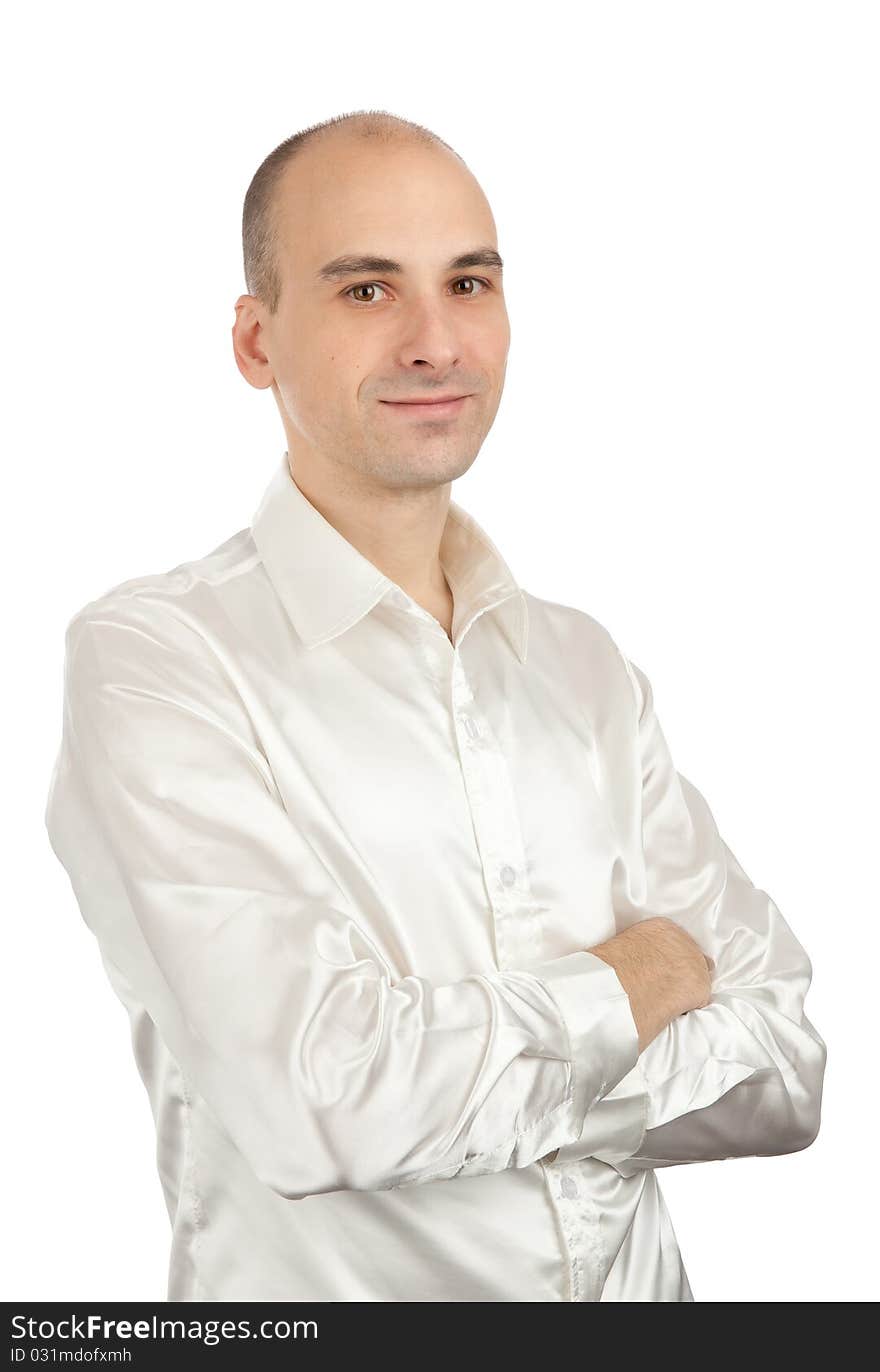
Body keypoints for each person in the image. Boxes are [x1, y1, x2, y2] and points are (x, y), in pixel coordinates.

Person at [44, 108, 826, 1303]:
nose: (433, 342)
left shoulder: (582, 667)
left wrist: (462, 1074)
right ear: (256, 341)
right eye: (366, 291)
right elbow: (319, 1105)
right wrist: (639, 982)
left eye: (468, 282)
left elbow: (785, 1066)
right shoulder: (159, 661)